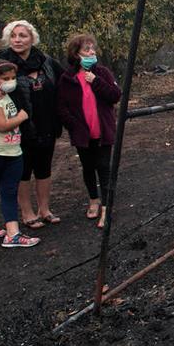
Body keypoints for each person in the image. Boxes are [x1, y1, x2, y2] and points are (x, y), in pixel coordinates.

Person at [0, 20, 64, 229]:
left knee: (44, 169)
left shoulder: (46, 61)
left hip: (46, 124)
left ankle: (45, 210)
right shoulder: (2, 62)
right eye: (14, 35)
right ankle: (27, 212)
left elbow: (66, 80)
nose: (18, 39)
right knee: (23, 171)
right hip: (18, 126)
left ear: (32, 38)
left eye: (23, 35)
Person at [0, 60, 41, 248]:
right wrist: (21, 116)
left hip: (13, 152)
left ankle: (13, 234)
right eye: (5, 78)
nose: (10, 81)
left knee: (10, 191)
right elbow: (2, 126)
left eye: (12, 78)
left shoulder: (8, 96)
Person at [57, 34, 121, 228]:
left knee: (104, 167)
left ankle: (106, 209)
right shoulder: (67, 78)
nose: (92, 53)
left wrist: (96, 81)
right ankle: (93, 199)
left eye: (93, 49)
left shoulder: (102, 73)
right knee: (88, 167)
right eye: (87, 50)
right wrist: (73, 125)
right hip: (83, 134)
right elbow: (61, 106)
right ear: (76, 54)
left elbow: (115, 95)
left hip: (103, 130)